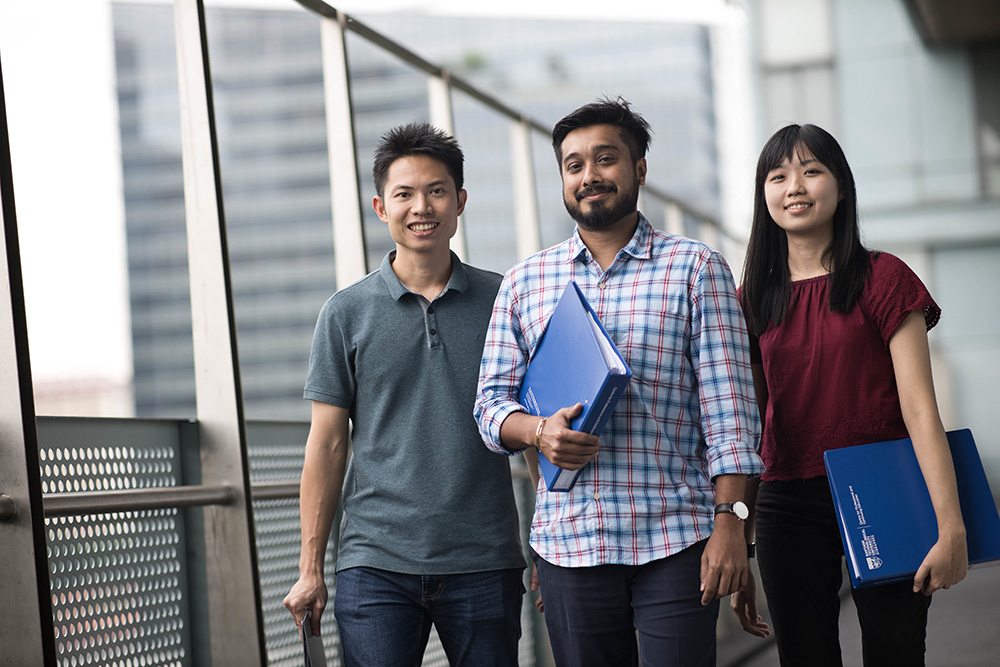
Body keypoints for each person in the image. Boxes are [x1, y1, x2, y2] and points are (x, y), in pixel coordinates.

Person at [474, 97, 764, 667]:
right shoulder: (524, 282)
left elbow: (731, 415)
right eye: (574, 164)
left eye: (606, 159)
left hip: (677, 539)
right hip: (569, 544)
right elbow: (488, 406)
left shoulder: (696, 268)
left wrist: (732, 524)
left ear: (639, 169)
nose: (590, 176)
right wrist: (537, 432)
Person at [283, 123, 526, 667]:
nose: (423, 206)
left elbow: (530, 426)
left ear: (460, 201)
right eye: (405, 194)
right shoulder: (344, 313)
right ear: (380, 206)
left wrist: (550, 545)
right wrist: (309, 569)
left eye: (438, 191)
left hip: (484, 558)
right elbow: (325, 446)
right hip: (375, 562)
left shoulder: (505, 298)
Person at [731, 123, 968, 665]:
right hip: (787, 499)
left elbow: (920, 410)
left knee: (896, 652)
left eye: (812, 171)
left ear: (841, 188)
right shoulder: (750, 299)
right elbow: (745, 427)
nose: (795, 186)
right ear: (763, 195)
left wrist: (950, 524)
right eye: (778, 175)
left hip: (886, 483)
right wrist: (740, 540)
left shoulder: (883, 279)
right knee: (805, 655)